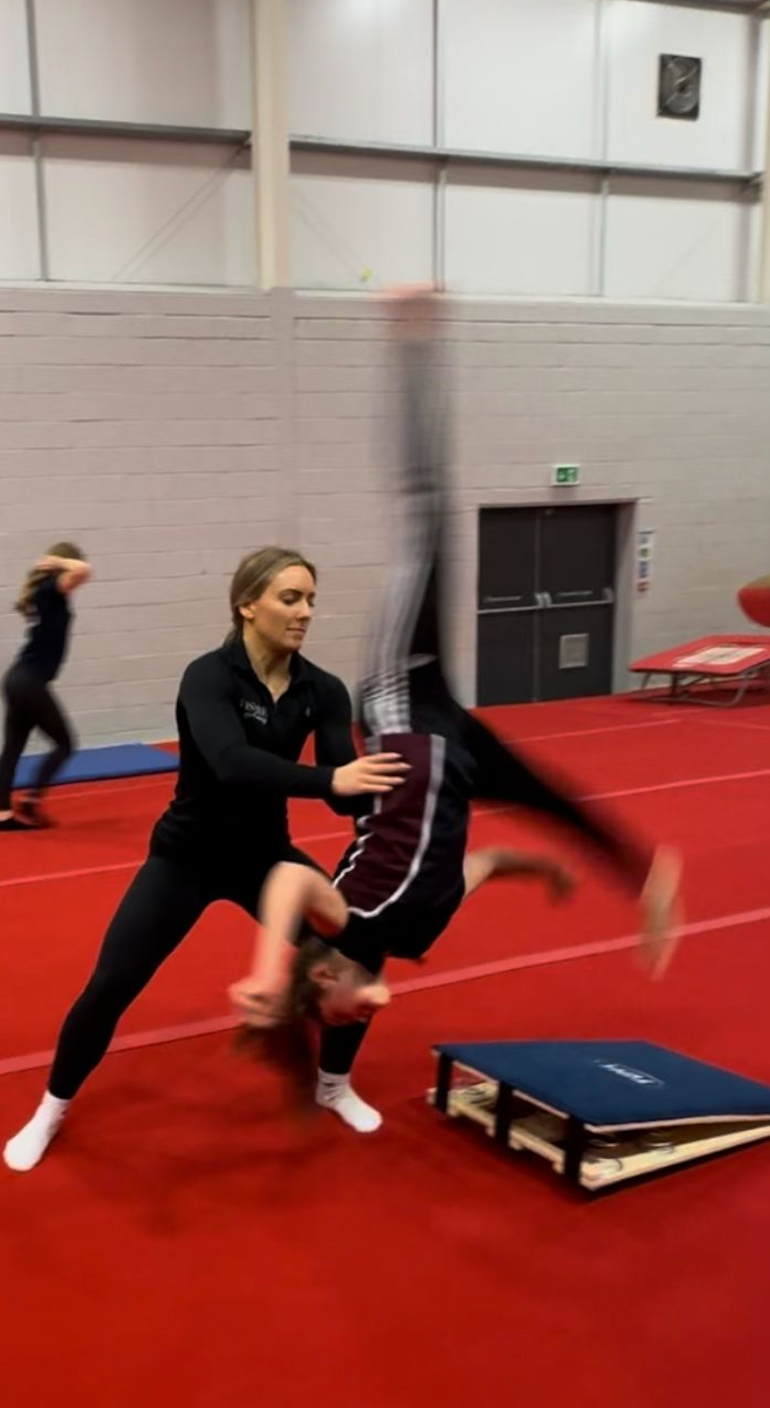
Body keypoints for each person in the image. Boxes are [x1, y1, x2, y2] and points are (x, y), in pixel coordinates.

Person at [229, 289, 683, 1135]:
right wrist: (540, 873)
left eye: (341, 1016)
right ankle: (645, 875)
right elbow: (482, 866)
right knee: (552, 798)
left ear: (324, 982)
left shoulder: (352, 915)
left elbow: (290, 879)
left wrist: (265, 971)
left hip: (404, 708)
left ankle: (411, 340)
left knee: (428, 524)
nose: (362, 1014)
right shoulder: (418, 929)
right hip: (457, 757)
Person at [3, 546, 407, 1172]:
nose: (305, 613)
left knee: (358, 950)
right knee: (111, 984)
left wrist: (387, 825)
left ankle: (333, 1083)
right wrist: (334, 782)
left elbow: (341, 789)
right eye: (290, 598)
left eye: (311, 601)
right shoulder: (208, 676)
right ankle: (51, 1107)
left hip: (268, 859)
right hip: (185, 856)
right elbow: (233, 763)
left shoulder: (322, 690)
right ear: (247, 605)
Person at [0, 543, 92, 831]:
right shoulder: (54, 588)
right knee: (65, 743)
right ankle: (31, 798)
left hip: (18, 679)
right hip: (28, 681)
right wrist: (57, 562)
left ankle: (3, 814)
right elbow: (85, 570)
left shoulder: (45, 592)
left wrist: (56, 565)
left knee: (12, 748)